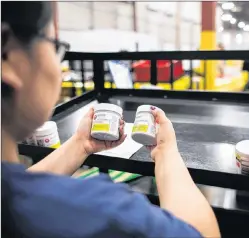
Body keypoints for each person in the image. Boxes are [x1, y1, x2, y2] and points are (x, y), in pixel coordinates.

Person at [1, 2, 220, 238]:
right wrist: (166, 151)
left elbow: (26, 189)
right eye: (55, 47)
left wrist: (80, 144)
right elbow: (200, 233)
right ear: (9, 58)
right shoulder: (103, 213)